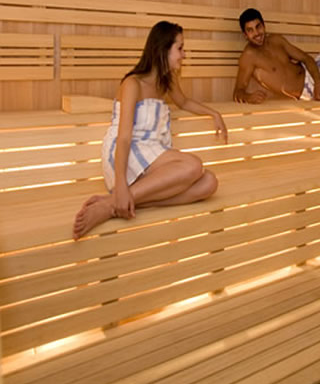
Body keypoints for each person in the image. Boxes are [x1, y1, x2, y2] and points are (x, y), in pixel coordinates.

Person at [72, 21, 228, 240]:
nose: (184, 55)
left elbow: (183, 102)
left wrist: (214, 114)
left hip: (151, 153)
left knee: (209, 183)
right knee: (193, 165)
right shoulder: (133, 84)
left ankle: (116, 203)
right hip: (125, 155)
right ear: (163, 49)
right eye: (180, 48)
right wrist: (120, 183)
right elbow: (124, 138)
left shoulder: (167, 81)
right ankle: (116, 201)